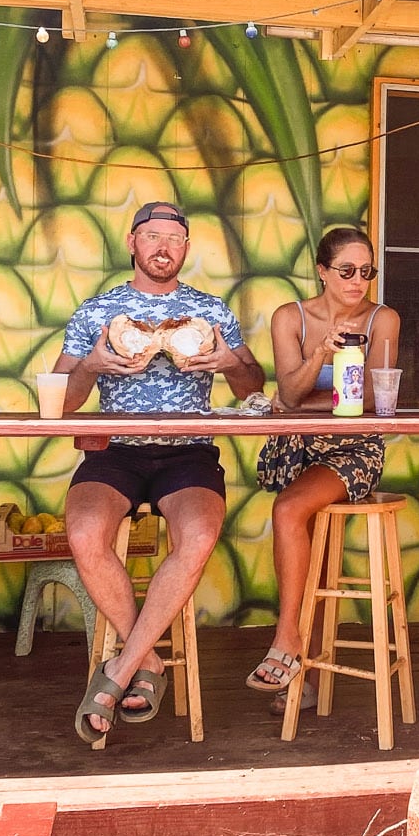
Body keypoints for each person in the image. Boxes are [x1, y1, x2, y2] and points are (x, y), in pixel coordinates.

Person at [57, 201, 265, 742]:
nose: (162, 247)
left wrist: (230, 363)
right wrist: (93, 365)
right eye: (152, 236)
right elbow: (59, 401)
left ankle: (120, 670)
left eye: (173, 238)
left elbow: (253, 390)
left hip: (189, 452)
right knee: (82, 533)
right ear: (132, 243)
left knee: (197, 536)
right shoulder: (97, 311)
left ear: (186, 249)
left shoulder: (210, 312)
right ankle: (144, 662)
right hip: (113, 451)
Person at [247, 228, 400, 710]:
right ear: (322, 270)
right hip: (296, 447)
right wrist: (321, 355)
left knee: (290, 511)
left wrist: (304, 399)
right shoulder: (289, 317)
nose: (358, 281)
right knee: (305, 534)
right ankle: (304, 674)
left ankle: (287, 641)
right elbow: (290, 396)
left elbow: (372, 400)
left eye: (367, 272)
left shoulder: (383, 319)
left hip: (354, 449)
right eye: (347, 271)